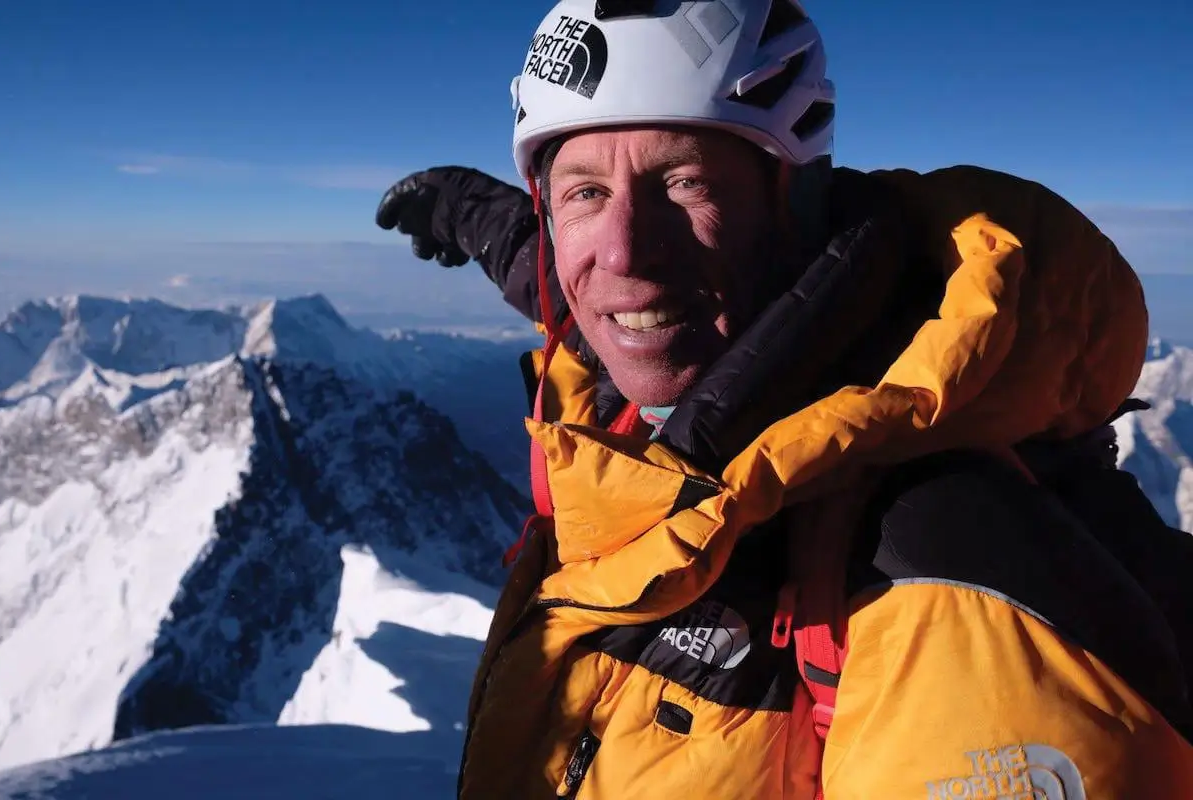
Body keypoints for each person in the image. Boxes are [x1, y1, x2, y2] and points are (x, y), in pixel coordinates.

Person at [376, 1, 1193, 796]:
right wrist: (479, 219)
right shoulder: (694, 374)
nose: (623, 252)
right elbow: (602, 280)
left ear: (796, 213)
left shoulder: (937, 579)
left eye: (685, 183)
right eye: (584, 192)